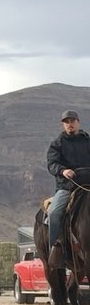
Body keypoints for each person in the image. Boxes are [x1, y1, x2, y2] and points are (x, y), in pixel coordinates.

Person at [46, 110, 90, 268]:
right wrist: (63, 170)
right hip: (68, 186)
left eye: (72, 121)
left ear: (78, 122)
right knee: (54, 213)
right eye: (66, 122)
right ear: (63, 125)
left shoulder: (87, 140)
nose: (69, 124)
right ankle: (56, 247)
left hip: (88, 183)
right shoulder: (57, 143)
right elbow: (52, 163)